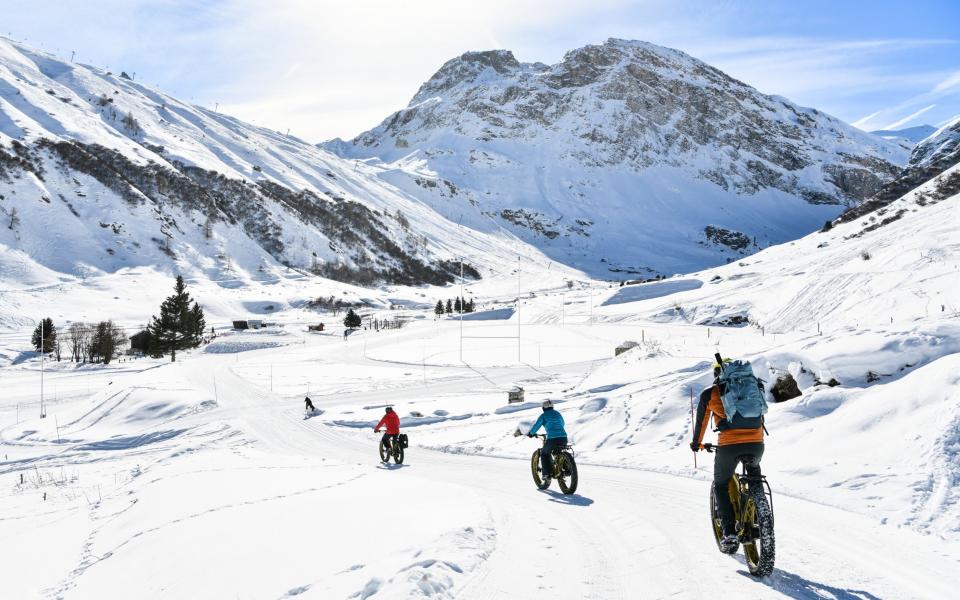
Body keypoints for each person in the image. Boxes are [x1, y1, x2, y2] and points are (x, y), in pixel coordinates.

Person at [691, 360, 765, 552]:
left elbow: (701, 422)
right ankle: (761, 517)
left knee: (721, 484)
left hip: (729, 447)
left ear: (717, 374)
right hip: (756, 444)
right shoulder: (753, 386)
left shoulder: (711, 393)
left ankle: (729, 533)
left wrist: (696, 443)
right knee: (754, 477)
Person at [527, 400, 567, 482]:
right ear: (552, 406)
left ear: (543, 408)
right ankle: (565, 468)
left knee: (544, 453)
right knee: (558, 451)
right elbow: (562, 423)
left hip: (552, 439)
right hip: (563, 437)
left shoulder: (543, 415)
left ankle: (546, 474)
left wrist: (531, 433)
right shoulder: (557, 413)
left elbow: (537, 425)